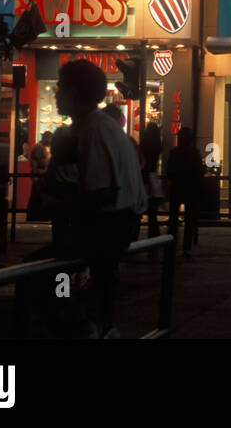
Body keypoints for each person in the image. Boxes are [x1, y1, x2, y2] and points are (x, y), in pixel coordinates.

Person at [58, 58, 146, 338]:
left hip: (106, 229)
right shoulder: (100, 128)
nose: (56, 94)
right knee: (101, 285)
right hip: (117, 225)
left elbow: (100, 193)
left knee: (38, 276)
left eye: (60, 88)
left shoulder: (94, 131)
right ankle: (99, 326)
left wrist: (60, 205)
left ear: (74, 94)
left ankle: (89, 329)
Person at [166, 127, 204, 257]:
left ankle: (171, 243)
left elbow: (168, 171)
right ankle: (186, 247)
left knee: (173, 219)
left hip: (177, 187)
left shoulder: (174, 153)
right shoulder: (194, 153)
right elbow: (200, 172)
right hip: (191, 188)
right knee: (190, 219)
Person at [138, 122, 163, 242]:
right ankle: (154, 240)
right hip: (153, 177)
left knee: (138, 213)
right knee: (153, 215)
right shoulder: (157, 143)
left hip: (143, 177)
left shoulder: (144, 143)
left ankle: (134, 240)